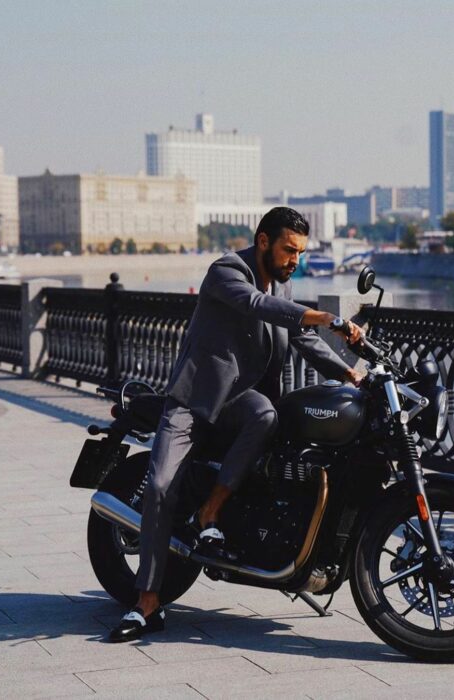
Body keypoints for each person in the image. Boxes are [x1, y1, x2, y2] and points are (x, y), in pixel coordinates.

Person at [110, 206, 363, 642]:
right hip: (193, 400)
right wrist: (323, 317)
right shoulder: (226, 270)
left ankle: (215, 512)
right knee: (160, 487)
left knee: (266, 414)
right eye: (288, 249)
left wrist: (350, 373)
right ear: (263, 240)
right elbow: (256, 305)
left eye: (300, 252)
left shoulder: (282, 284)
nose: (294, 260)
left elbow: (300, 338)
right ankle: (147, 603)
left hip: (239, 403)